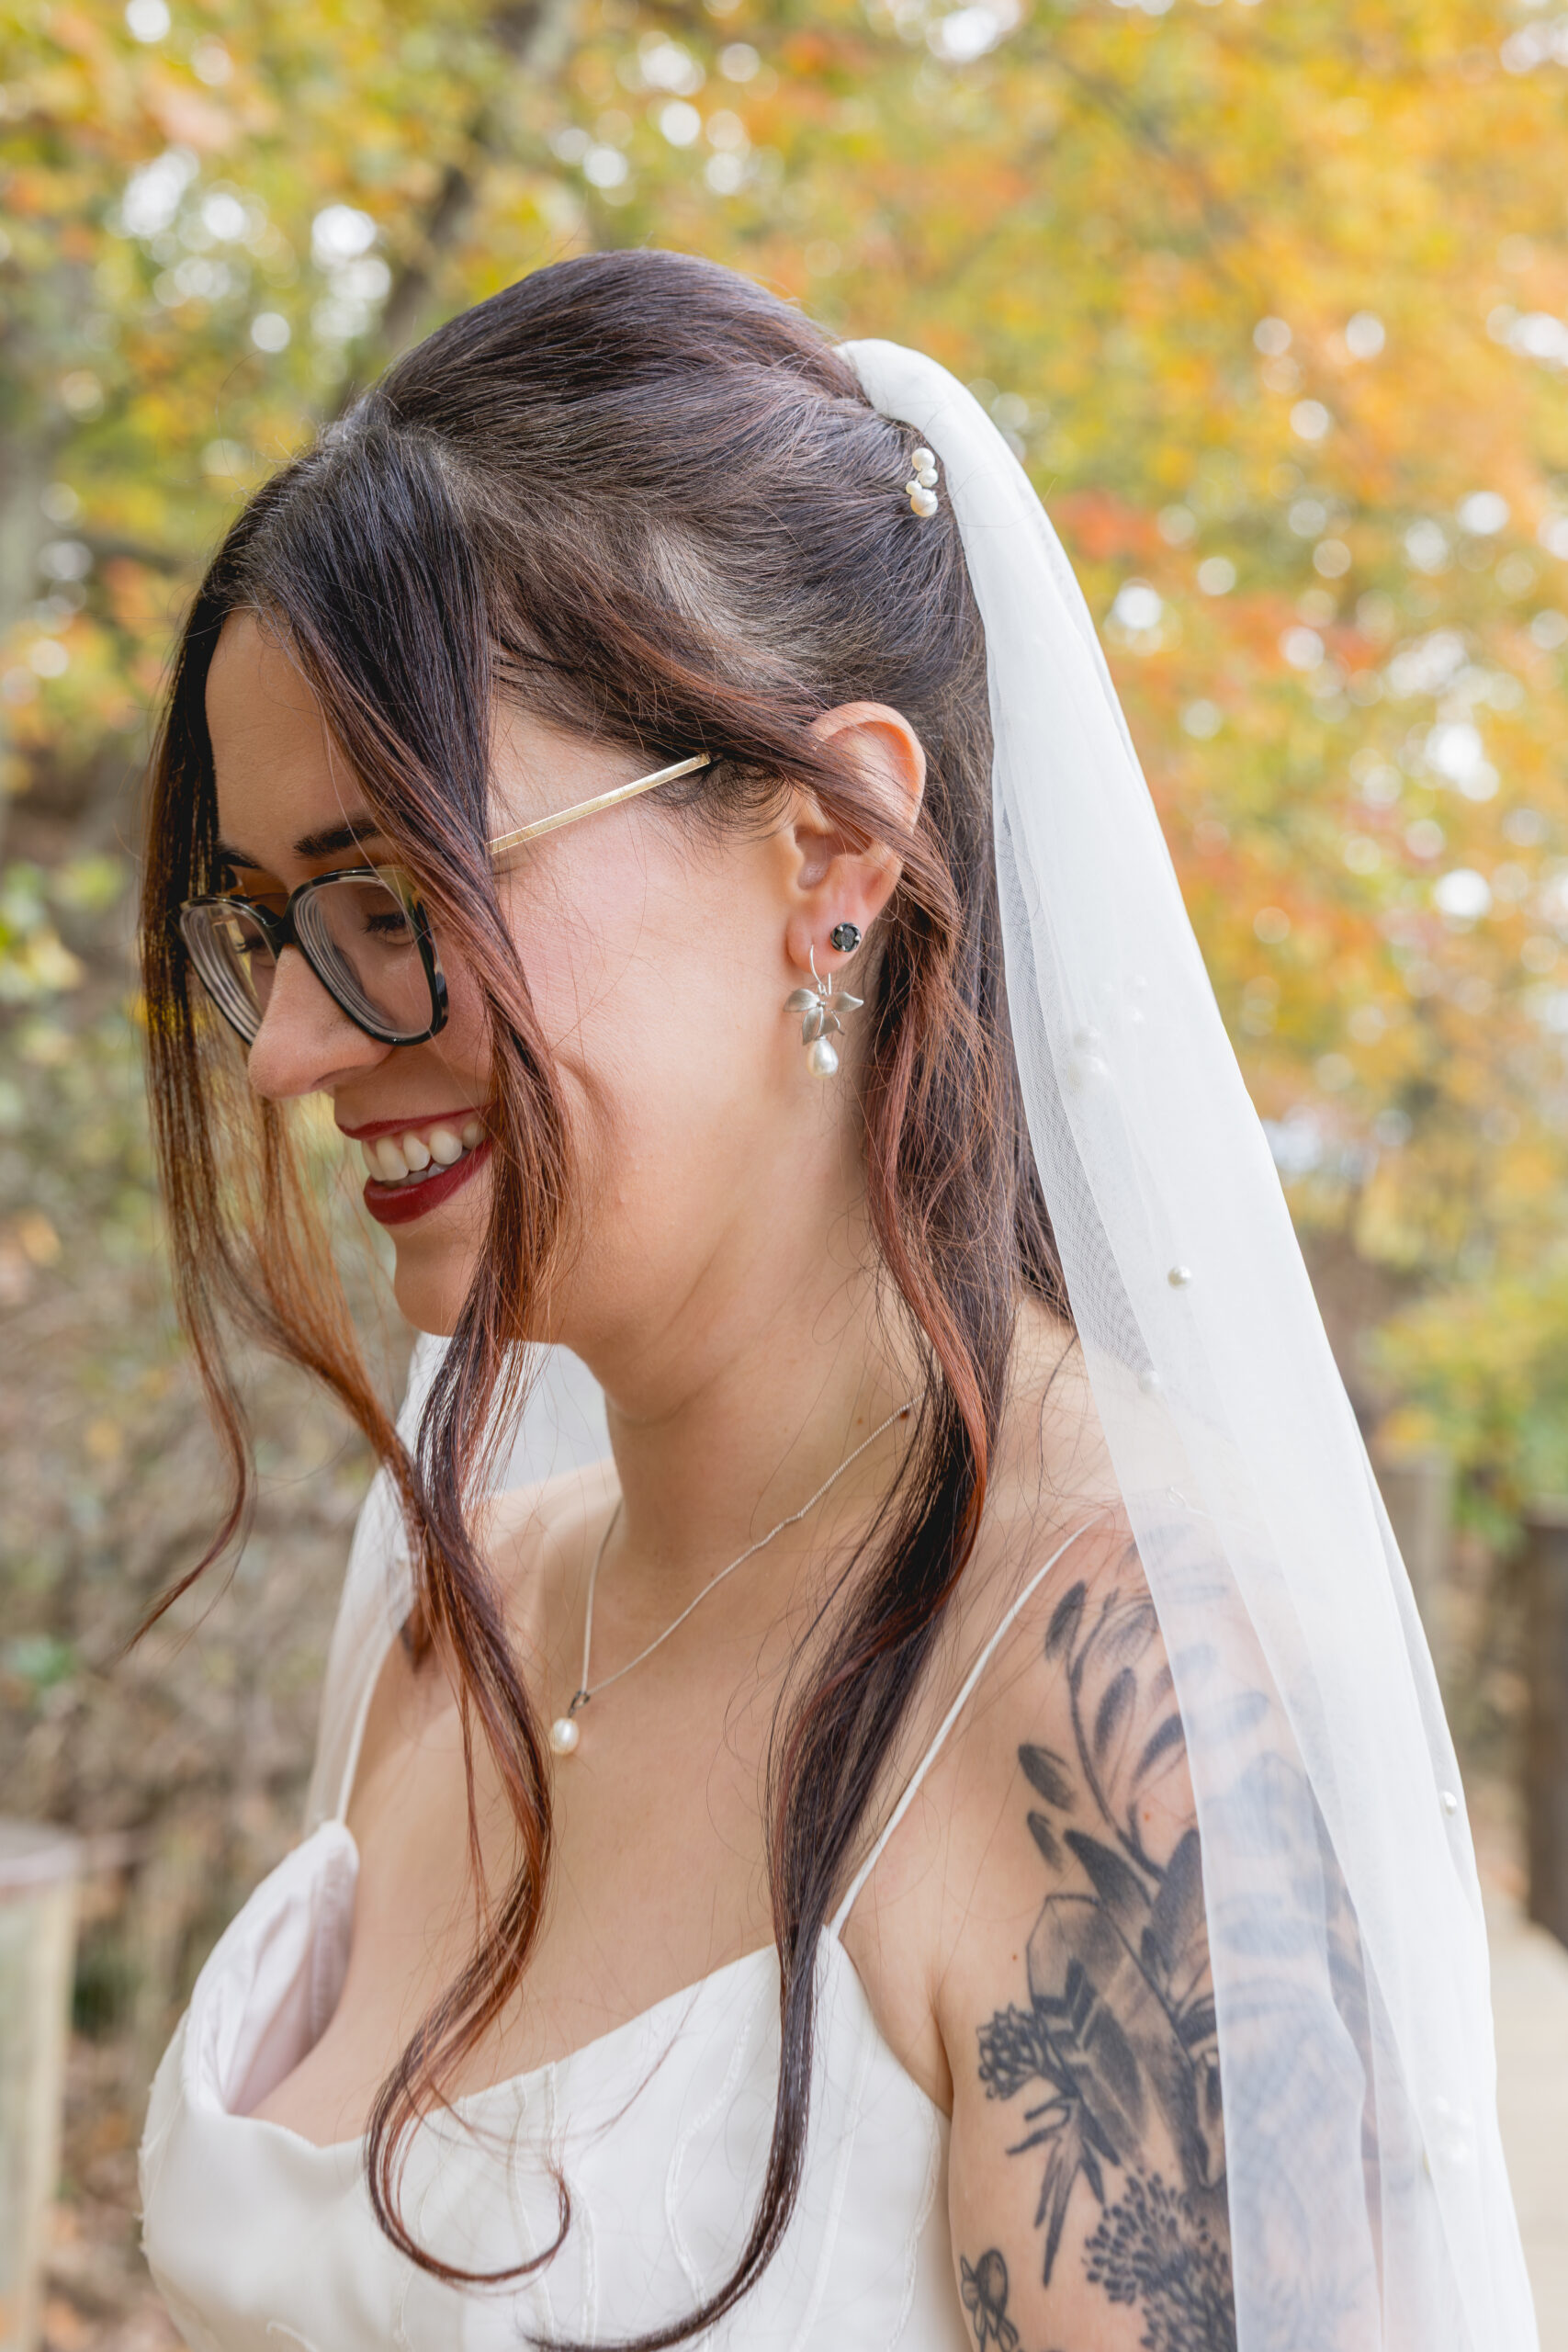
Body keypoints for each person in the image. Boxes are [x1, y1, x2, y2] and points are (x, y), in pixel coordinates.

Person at [134, 253, 1534, 2352]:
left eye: (395, 897)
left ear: (833, 855)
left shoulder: (1111, 1691)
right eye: (266, 927)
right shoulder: (453, 1602)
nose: (287, 1051)